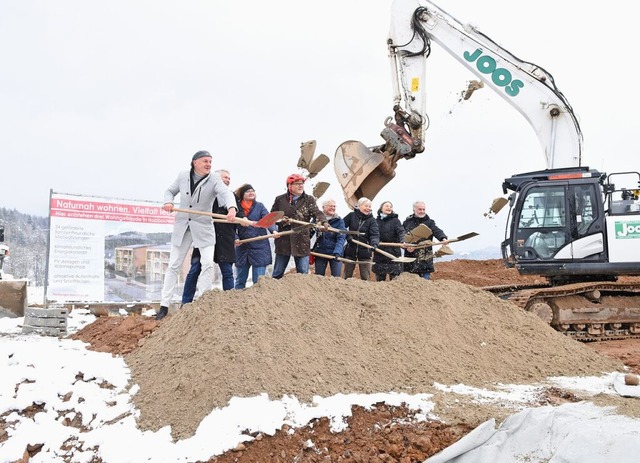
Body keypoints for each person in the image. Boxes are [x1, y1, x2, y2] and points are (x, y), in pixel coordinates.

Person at [156, 151, 238, 321]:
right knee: (173, 265)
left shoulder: (214, 179)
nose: (208, 164)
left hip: (204, 227)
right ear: (195, 163)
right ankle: (164, 305)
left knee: (207, 263)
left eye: (210, 161)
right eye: (205, 161)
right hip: (183, 226)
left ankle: (203, 301)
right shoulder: (183, 176)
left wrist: (232, 208)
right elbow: (170, 191)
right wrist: (168, 202)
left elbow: (226, 193)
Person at [181, 169, 240, 303]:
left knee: (227, 271)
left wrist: (243, 220)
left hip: (225, 238)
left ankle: (229, 302)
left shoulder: (231, 196)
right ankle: (186, 302)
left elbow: (239, 215)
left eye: (229, 178)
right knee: (195, 270)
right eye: (225, 177)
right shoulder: (204, 194)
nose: (228, 180)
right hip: (204, 237)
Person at [270, 173, 329, 278]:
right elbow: (272, 217)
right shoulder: (280, 200)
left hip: (301, 240)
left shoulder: (308, 199)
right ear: (289, 186)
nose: (301, 186)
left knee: (303, 274)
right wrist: (282, 221)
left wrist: (324, 222)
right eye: (297, 184)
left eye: (302, 183)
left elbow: (317, 212)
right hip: (284, 239)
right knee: (277, 273)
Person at [234, 183, 276, 289]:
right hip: (243, 247)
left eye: (252, 190)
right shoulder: (236, 209)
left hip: (259, 247)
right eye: (248, 191)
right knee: (240, 280)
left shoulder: (259, 206)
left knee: (259, 281)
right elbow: (231, 226)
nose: (251, 192)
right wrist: (235, 238)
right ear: (242, 194)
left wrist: (273, 231)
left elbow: (268, 219)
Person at [402, 200, 449, 280]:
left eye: (423, 209)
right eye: (420, 209)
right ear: (414, 210)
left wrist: (443, 238)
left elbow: (437, 231)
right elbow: (403, 236)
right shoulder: (407, 223)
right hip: (410, 259)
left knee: (425, 285)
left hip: (425, 258)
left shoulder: (429, 223)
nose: (422, 211)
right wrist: (406, 246)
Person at [342, 197, 379, 281]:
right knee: (347, 276)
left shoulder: (372, 220)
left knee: (365, 277)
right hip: (351, 249)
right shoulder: (351, 216)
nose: (368, 208)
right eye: (366, 206)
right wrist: (348, 236)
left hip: (365, 250)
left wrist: (374, 244)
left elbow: (375, 234)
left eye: (370, 206)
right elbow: (341, 227)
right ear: (359, 206)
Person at [312, 199, 346, 277]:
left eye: (334, 206)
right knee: (319, 277)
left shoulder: (339, 221)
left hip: (335, 253)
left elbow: (341, 238)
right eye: (330, 206)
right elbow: (309, 233)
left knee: (336, 277)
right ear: (323, 207)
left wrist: (337, 252)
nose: (333, 208)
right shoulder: (317, 219)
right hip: (320, 252)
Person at [373, 201, 405, 281]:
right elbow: (372, 234)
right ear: (381, 209)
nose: (389, 207)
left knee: (394, 282)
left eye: (390, 206)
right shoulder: (376, 221)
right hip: (380, 253)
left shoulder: (395, 221)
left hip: (393, 253)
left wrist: (403, 241)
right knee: (380, 282)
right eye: (387, 206)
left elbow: (401, 231)